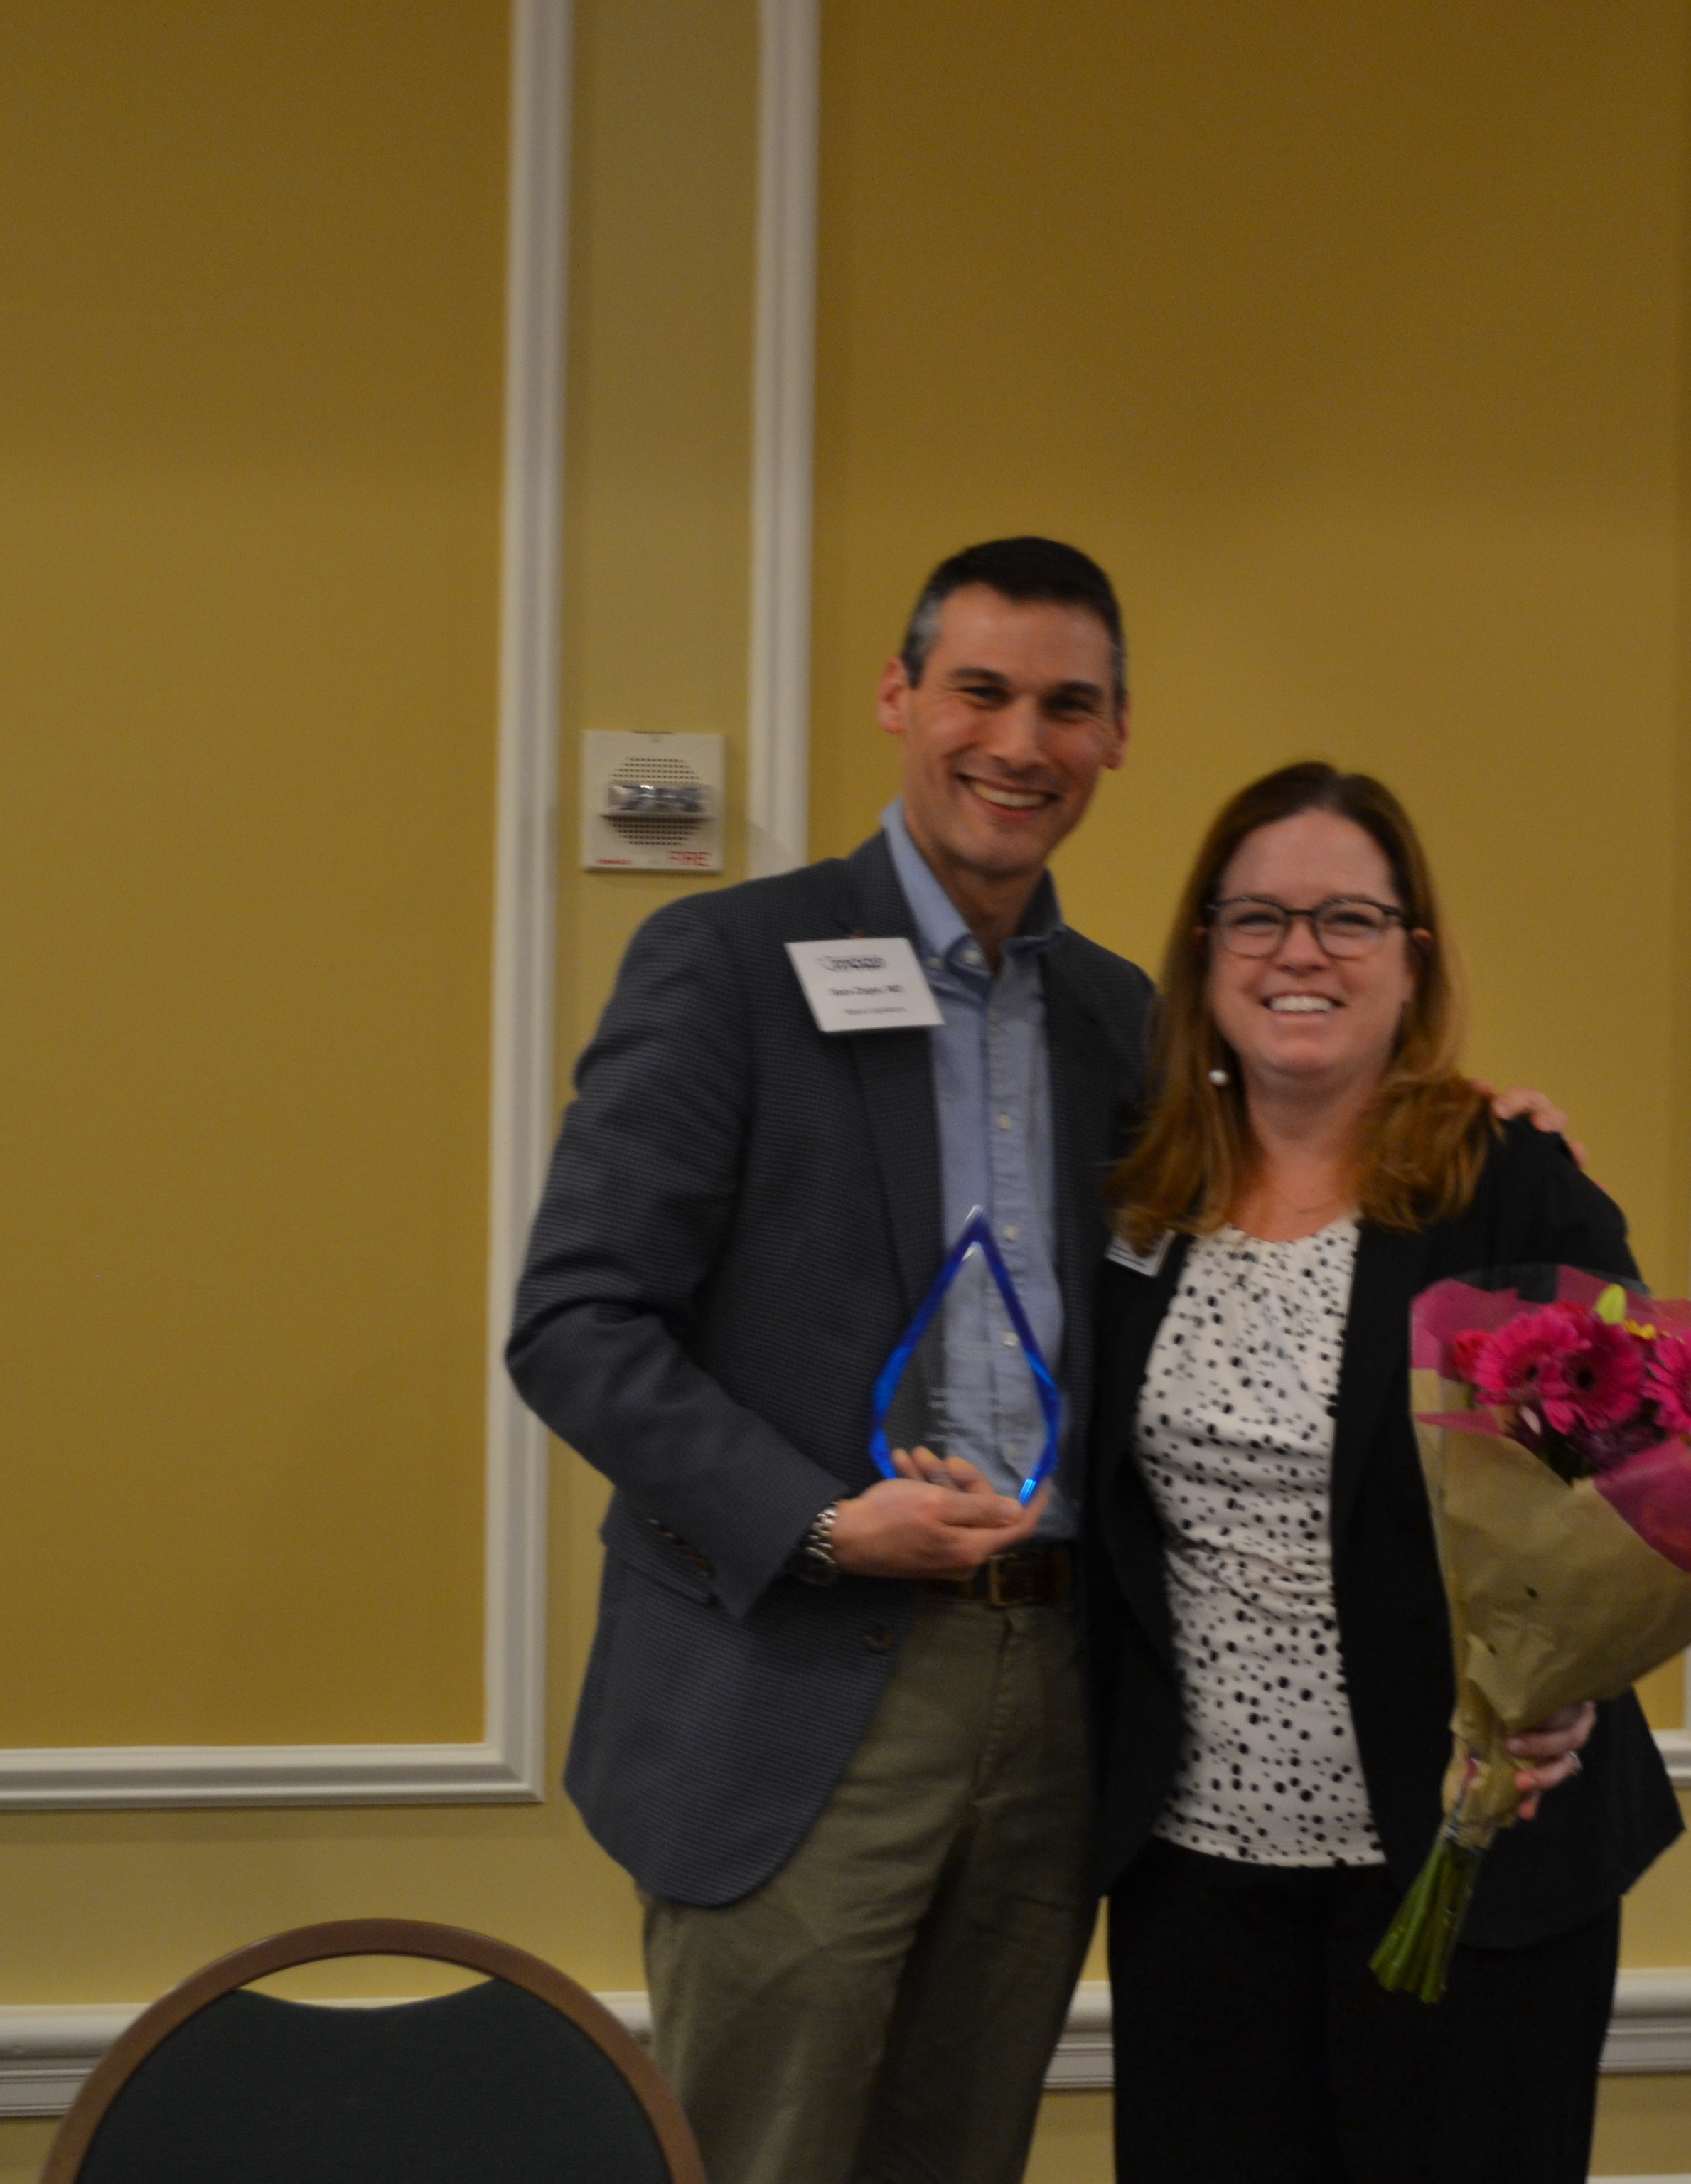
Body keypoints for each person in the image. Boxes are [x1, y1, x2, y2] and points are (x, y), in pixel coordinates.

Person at [509, 537, 1145, 2184]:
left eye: (1067, 706)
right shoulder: (726, 966)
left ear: (1117, 739)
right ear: (897, 698)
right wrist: (816, 1519)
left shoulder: (1122, 1021)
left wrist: (1481, 1130)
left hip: (1054, 1689)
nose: (1021, 742)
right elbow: (576, 1321)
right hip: (798, 1672)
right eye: (981, 691)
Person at [1083, 761, 1687, 2184]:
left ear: (1413, 960)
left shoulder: (1511, 1184)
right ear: (1204, 953)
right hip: (1196, 1877)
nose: (1301, 953)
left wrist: (1574, 1684)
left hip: (1468, 1862)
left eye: (1349, 917)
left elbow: (1652, 1479)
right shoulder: (1137, 1193)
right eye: (1258, 919)